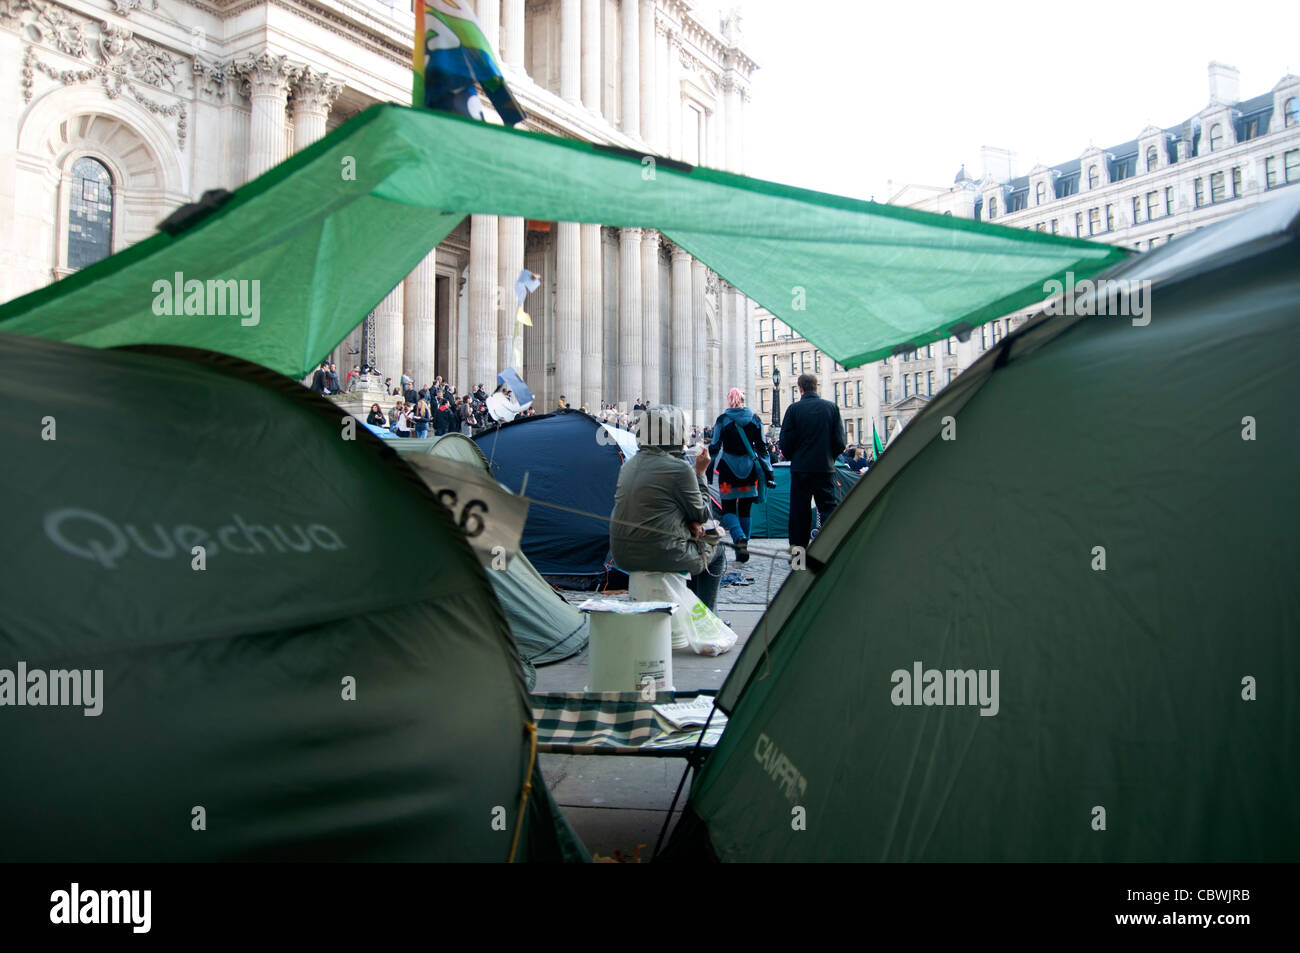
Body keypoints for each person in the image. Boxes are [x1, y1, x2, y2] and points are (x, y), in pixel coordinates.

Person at [609, 405, 726, 613]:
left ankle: (688, 612)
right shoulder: (679, 469)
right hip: (662, 553)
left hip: (622, 554)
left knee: (692, 543)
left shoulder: (628, 465)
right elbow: (702, 514)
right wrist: (700, 473)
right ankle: (709, 618)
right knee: (717, 551)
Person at [779, 373, 847, 551]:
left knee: (799, 515)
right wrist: (829, 456)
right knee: (829, 510)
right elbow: (840, 442)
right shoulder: (831, 408)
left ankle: (799, 560)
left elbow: (785, 443)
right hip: (825, 467)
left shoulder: (793, 410)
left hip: (801, 469)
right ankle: (829, 551)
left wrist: (795, 456)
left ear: (800, 388)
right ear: (816, 387)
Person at [707, 388, 775, 564]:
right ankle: (742, 548)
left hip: (728, 469)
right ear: (743, 400)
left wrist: (708, 471)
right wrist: (768, 470)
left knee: (728, 508)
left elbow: (714, 447)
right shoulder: (755, 419)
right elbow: (762, 447)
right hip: (749, 469)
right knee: (745, 509)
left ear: (729, 401)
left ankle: (739, 538)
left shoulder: (722, 420)